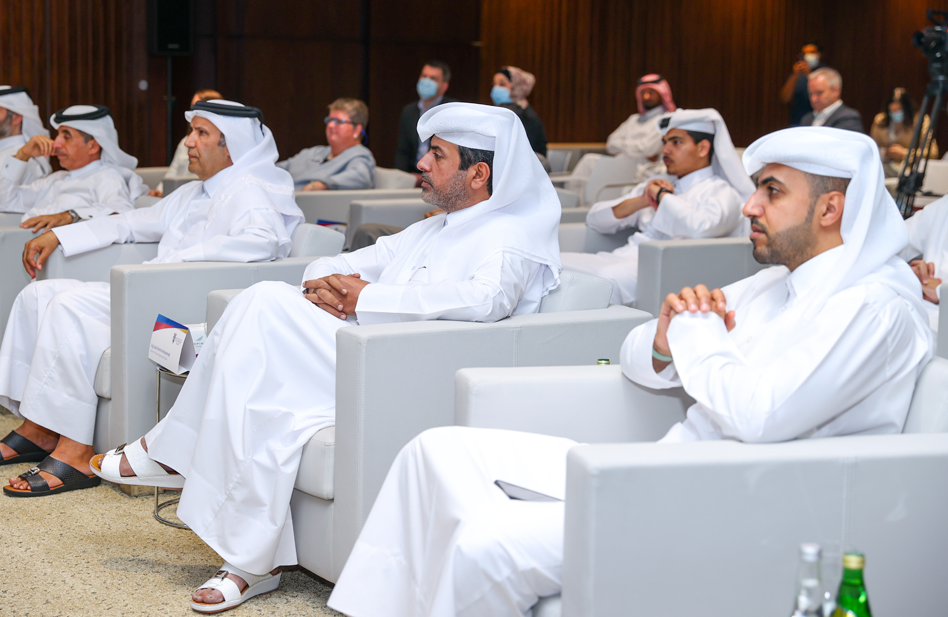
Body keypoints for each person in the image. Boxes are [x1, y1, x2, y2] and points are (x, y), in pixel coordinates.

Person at [327, 127, 935, 617]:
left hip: (742, 507)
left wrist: (695, 334)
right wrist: (673, 340)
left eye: (771, 191)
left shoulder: (875, 309)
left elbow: (758, 415)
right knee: (435, 451)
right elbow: (639, 354)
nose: (749, 205)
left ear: (832, 207)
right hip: (672, 468)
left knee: (487, 543)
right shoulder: (778, 282)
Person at [91, 103, 562, 613]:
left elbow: (485, 302)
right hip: (360, 354)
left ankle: (170, 449)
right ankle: (252, 563)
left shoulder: (511, 238)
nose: (421, 163)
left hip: (409, 372)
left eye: (437, 155)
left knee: (265, 301)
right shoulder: (435, 227)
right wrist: (331, 286)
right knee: (266, 402)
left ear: (479, 173)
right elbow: (342, 260)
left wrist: (367, 299)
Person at [0, 100, 304, 492]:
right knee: (38, 295)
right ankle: (37, 427)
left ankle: (75, 453)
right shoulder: (194, 192)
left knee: (68, 307)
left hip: (185, 302)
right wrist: (61, 234)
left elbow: (263, 244)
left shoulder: (251, 192)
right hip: (150, 289)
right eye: (191, 131)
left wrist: (175, 262)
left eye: (201, 133)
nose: (189, 141)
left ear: (232, 147)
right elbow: (129, 221)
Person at [0, 105, 144, 409]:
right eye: (57, 136)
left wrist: (71, 215)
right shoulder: (56, 179)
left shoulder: (107, 177)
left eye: (66, 136)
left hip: (50, 262)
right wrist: (22, 156)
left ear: (94, 145)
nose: (57, 144)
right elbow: (2, 200)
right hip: (12, 253)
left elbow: (123, 214)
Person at [560, 109, 753, 306]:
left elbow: (701, 229)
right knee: (551, 263)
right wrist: (642, 200)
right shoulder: (655, 183)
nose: (665, 151)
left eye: (676, 142)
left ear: (703, 148)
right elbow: (595, 219)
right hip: (623, 257)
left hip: (668, 271)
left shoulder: (721, 191)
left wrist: (662, 197)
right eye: (665, 142)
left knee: (605, 280)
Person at [277, 98, 376, 190]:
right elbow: (280, 168)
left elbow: (360, 178)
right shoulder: (315, 152)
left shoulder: (359, 156)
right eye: (329, 120)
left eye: (338, 121)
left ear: (357, 130)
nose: (330, 125)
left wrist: (322, 185)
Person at [605, 73, 676, 181]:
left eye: (651, 92)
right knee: (590, 163)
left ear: (662, 94)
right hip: (621, 166)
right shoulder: (633, 119)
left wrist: (623, 146)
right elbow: (610, 144)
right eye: (643, 93)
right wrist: (639, 150)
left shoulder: (667, 120)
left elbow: (648, 150)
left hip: (645, 172)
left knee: (591, 165)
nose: (646, 97)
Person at [394, 61, 455, 176]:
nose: (426, 81)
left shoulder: (451, 111)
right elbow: (402, 151)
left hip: (439, 175)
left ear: (444, 86)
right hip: (413, 175)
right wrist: (401, 178)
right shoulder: (409, 111)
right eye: (424, 76)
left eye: (433, 78)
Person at [902, 194, 947, 333]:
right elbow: (892, 243)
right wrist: (910, 273)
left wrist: (940, 292)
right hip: (917, 319)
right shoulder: (943, 207)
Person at [870, 87, 938, 178]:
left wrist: (904, 153)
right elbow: (871, 148)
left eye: (898, 111)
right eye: (892, 111)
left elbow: (932, 153)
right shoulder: (880, 120)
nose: (895, 114)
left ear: (907, 110)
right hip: (884, 168)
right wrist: (884, 153)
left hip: (909, 170)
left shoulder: (921, 121)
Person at [491, 67, 548, 159]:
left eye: (502, 84)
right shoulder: (506, 111)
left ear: (516, 86)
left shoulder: (525, 116)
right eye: (494, 84)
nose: (496, 88)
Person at [167, 89, 224, 177]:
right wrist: (160, 190)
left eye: (202, 132)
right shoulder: (185, 141)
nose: (188, 143)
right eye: (192, 107)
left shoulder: (221, 142)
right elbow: (172, 171)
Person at [799, 68, 863, 132]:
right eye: (810, 93)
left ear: (836, 91)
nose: (813, 99)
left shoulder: (849, 118)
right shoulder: (806, 119)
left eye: (819, 93)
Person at [780, 43, 824, 126]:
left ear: (819, 54)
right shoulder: (798, 74)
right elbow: (785, 98)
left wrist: (808, 74)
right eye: (805, 53)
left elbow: (820, 99)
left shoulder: (826, 72)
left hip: (819, 123)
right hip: (797, 122)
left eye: (812, 52)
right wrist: (795, 74)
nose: (808, 56)